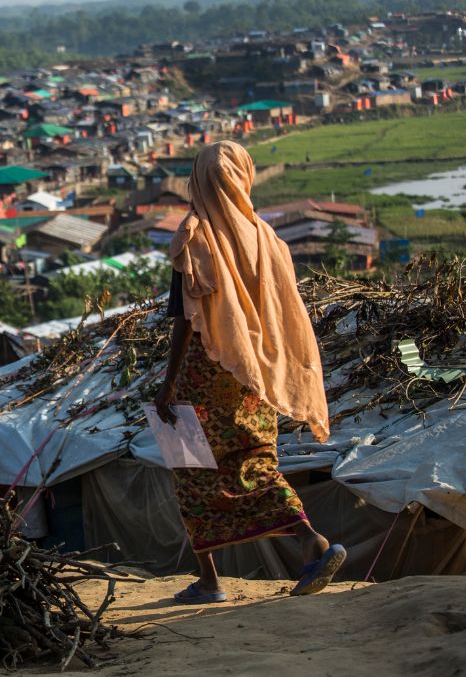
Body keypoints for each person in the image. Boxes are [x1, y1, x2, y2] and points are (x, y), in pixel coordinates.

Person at [154, 140, 345, 604]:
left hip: (202, 371)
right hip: (253, 374)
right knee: (254, 461)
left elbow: (185, 316)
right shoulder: (266, 237)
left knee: (189, 468)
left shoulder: (195, 234)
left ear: (198, 180)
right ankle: (310, 543)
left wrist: (168, 382)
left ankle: (210, 580)